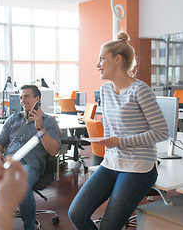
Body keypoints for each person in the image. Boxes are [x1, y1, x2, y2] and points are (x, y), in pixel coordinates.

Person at [68, 32, 169, 230]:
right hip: (112, 161)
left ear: (117, 59)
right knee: (76, 213)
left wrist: (120, 142)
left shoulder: (140, 90)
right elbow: (116, 128)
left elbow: (162, 132)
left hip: (139, 166)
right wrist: (109, 141)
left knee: (108, 226)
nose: (98, 64)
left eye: (102, 58)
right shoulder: (105, 90)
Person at [0, 84, 61, 230]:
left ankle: (29, 227)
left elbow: (54, 150)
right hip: (6, 162)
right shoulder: (13, 119)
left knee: (21, 185)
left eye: (27, 96)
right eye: (21, 97)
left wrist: (39, 127)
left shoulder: (49, 121)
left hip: (30, 165)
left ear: (37, 99)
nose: (22, 100)